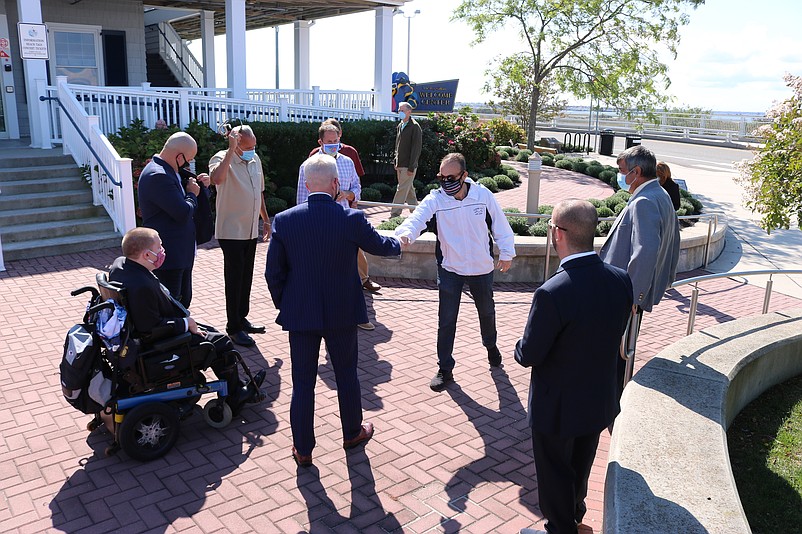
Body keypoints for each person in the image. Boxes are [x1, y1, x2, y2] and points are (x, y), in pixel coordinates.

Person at [266, 154, 402, 467]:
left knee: (302, 383)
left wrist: (286, 304)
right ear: (336, 184)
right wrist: (401, 241)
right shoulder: (349, 218)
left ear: (305, 184)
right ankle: (352, 433)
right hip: (342, 312)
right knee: (346, 375)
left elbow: (273, 274)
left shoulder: (285, 220)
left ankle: (302, 449)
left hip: (300, 313)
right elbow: (381, 245)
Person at [515, 200, 633, 534]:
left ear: (559, 234)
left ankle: (561, 528)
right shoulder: (620, 279)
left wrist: (517, 348)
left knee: (554, 472)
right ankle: (575, 518)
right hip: (597, 398)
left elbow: (530, 354)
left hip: (557, 405)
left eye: (552, 227)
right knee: (581, 466)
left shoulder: (552, 292)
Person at [109, 227, 265, 415]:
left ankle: (237, 386)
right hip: (160, 343)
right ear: (146, 254)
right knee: (221, 342)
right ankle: (235, 395)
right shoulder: (141, 286)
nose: (162, 251)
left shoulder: (121, 266)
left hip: (158, 327)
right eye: (159, 247)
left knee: (211, 331)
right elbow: (149, 329)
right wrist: (185, 323)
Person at [395, 152, 516, 392]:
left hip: (481, 268)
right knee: (447, 319)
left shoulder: (483, 196)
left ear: (464, 175)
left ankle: (491, 347)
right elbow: (417, 219)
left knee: (487, 312)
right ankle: (445, 368)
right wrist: (405, 234)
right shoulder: (436, 199)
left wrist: (507, 252)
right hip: (450, 267)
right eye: (442, 177)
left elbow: (501, 225)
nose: (446, 181)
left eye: (451, 177)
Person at [600, 145, 680, 393]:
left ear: (636, 171)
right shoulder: (661, 194)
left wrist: (634, 297)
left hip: (626, 295)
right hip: (632, 292)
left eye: (621, 170)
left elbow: (645, 251)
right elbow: (673, 241)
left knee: (618, 353)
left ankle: (613, 401)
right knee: (623, 350)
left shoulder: (644, 201)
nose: (620, 175)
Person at [297, 124, 378, 330]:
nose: (334, 145)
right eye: (329, 142)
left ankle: (357, 316)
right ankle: (318, 316)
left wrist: (348, 195)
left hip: (342, 223)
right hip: (318, 226)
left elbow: (356, 188)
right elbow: (301, 200)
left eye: (336, 141)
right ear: (320, 142)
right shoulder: (308, 166)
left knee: (349, 271)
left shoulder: (348, 163)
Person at [209, 125, 270, 348]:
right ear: (235, 142)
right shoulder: (220, 158)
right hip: (231, 231)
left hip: (250, 229)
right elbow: (216, 179)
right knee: (234, 280)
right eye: (247, 147)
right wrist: (230, 151)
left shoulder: (255, 160)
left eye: (254, 146)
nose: (252, 150)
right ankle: (233, 327)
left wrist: (265, 219)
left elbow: (259, 192)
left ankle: (241, 318)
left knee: (246, 277)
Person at [137, 132, 210, 308]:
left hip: (181, 253)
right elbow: (183, 212)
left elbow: (191, 201)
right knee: (172, 306)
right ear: (179, 156)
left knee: (183, 302)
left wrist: (202, 187)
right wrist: (192, 193)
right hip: (169, 258)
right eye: (188, 160)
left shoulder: (171, 171)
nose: (188, 165)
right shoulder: (158, 175)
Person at [390, 101, 423, 218]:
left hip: (408, 165)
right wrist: (395, 160)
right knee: (408, 190)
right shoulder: (400, 125)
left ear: (409, 112)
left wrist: (411, 167)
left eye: (402, 110)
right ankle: (418, 213)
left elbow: (416, 149)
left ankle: (394, 214)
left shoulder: (415, 126)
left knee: (401, 189)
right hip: (400, 163)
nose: (400, 112)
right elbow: (397, 145)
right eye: (399, 110)